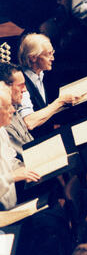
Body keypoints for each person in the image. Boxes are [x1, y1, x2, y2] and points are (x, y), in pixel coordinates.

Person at [17, 33, 78, 136]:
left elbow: (41, 109)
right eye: (48, 54)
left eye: (52, 53)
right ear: (33, 58)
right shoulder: (20, 82)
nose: (52, 58)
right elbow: (29, 122)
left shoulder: (40, 74)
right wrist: (60, 102)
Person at [0, 82, 40, 211]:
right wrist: (12, 177)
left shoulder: (1, 130)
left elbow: (11, 158)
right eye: (7, 107)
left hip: (11, 202)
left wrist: (31, 166)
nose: (13, 110)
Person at [0, 62, 33, 160]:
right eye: (20, 85)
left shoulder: (14, 107)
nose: (24, 90)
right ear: (6, 86)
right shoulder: (3, 119)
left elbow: (30, 141)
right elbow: (27, 155)